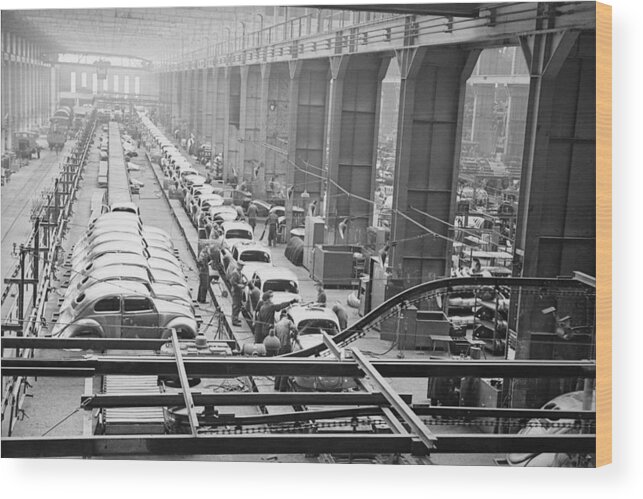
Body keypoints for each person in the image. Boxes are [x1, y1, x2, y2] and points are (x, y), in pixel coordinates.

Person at [273, 313, 298, 391]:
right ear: (286, 316)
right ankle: (282, 388)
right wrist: (294, 335)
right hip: (286, 347)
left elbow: (275, 336)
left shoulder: (277, 325)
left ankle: (276, 385)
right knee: (286, 367)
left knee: (279, 366)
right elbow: (296, 329)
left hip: (279, 348)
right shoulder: (288, 322)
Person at [229, 261, 247, 327]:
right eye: (241, 266)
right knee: (235, 306)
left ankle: (236, 317)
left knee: (238, 305)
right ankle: (234, 320)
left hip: (239, 291)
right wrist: (239, 285)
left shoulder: (239, 272)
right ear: (238, 265)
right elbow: (232, 282)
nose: (242, 267)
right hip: (236, 291)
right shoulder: (235, 272)